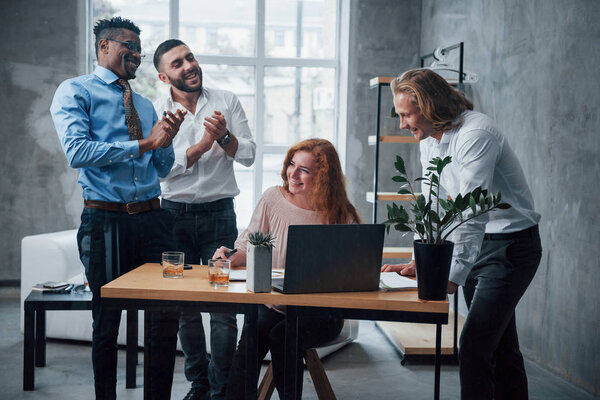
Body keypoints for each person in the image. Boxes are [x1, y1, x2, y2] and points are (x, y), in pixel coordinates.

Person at [383, 69, 542, 400]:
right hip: (474, 245)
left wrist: (451, 276)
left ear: (427, 106)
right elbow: (433, 204)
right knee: (500, 346)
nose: (402, 124)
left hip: (510, 248)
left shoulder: (477, 134)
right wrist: (420, 259)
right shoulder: (430, 137)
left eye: (406, 114)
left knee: (473, 345)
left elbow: (471, 212)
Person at [50, 17, 186, 400]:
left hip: (154, 219)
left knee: (164, 318)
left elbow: (160, 168)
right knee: (107, 322)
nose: (138, 53)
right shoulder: (75, 91)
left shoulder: (143, 103)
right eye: (129, 45)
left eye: (140, 47)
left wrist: (165, 141)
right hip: (105, 220)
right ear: (104, 46)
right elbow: (77, 152)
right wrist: (145, 143)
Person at [211, 138, 361, 400]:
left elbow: (353, 270)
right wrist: (229, 257)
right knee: (253, 335)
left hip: (322, 315)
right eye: (292, 164)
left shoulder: (340, 214)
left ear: (324, 176)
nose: (293, 173)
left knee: (283, 335)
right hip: (275, 304)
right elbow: (248, 246)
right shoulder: (273, 199)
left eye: (304, 169)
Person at [152, 39, 256, 400]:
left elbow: (249, 155)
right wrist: (202, 145)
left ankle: (222, 388)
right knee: (183, 306)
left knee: (223, 306)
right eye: (177, 63)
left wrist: (224, 136)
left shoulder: (226, 100)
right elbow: (160, 175)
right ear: (164, 77)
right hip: (172, 216)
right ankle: (198, 384)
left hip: (218, 213)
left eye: (190, 57)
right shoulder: (155, 112)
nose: (188, 66)